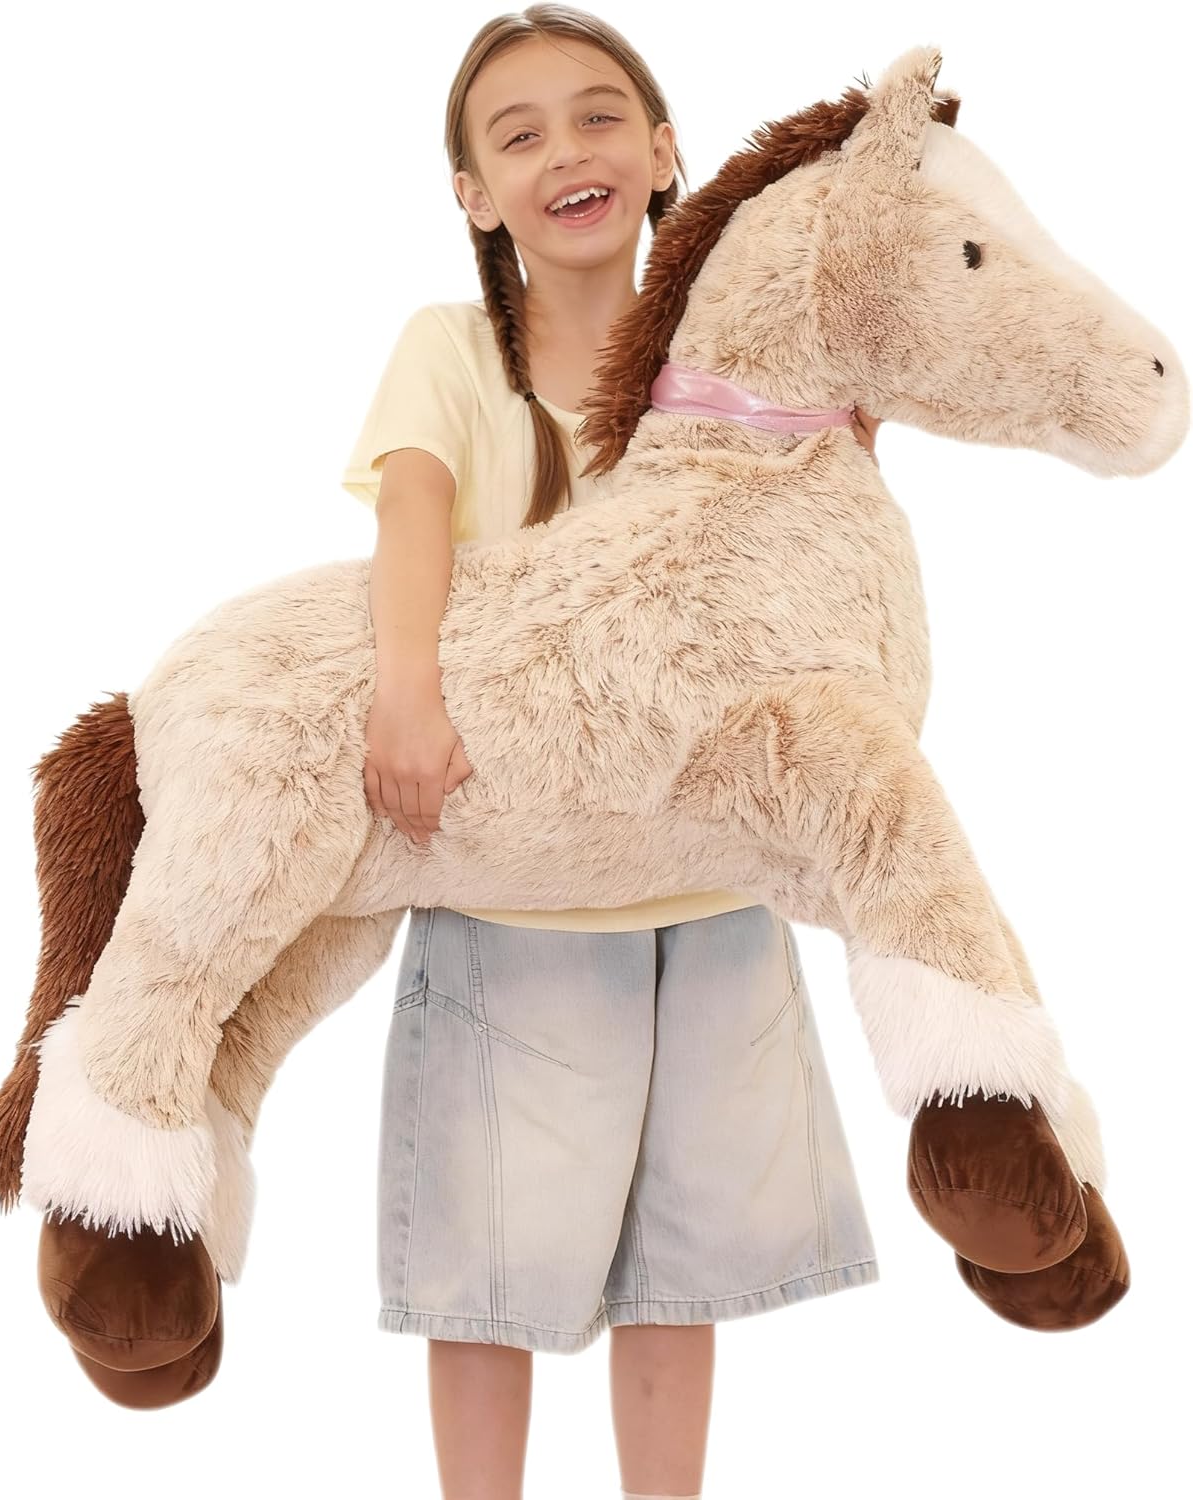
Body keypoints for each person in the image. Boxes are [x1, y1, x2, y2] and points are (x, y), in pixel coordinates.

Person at [341, 9, 883, 1499]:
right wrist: (404, 689)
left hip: (707, 886)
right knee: (486, 1270)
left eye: (598, 117)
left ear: (661, 150)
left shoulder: (726, 359)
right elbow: (410, 512)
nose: (565, 152)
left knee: (681, 1268)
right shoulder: (453, 351)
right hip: (520, 891)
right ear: (474, 194)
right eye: (517, 136)